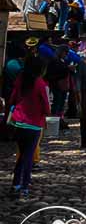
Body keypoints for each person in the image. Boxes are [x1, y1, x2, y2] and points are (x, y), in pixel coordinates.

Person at [6, 54, 50, 199]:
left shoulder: (20, 80)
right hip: (34, 124)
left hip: (18, 123)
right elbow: (46, 107)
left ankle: (15, 184)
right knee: (29, 156)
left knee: (21, 155)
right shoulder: (40, 84)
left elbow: (12, 99)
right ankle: (24, 186)